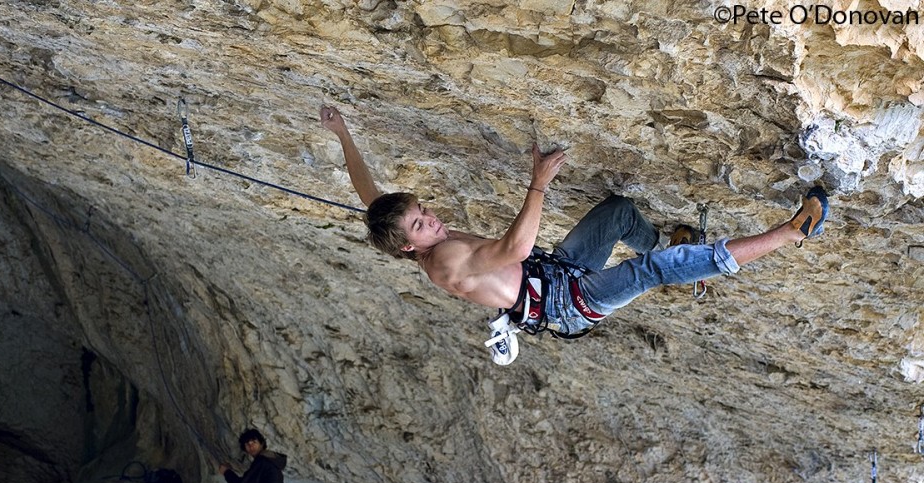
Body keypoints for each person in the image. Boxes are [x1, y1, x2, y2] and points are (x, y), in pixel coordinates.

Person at [318, 105, 829, 364]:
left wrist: (344, 133)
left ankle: (672, 245)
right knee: (652, 273)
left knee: (618, 212)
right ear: (410, 245)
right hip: (571, 304)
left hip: (557, 272)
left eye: (422, 210)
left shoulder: (406, 235)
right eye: (419, 223)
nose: (430, 217)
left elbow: (371, 198)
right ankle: (791, 233)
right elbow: (515, 249)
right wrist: (537, 184)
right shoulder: (446, 261)